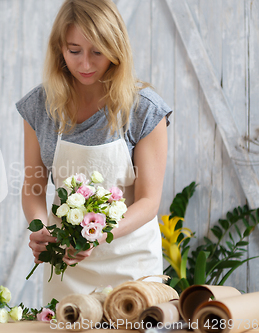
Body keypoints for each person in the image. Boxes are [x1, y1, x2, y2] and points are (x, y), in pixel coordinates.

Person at [16, 0, 172, 303]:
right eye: (74, 51)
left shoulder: (144, 109)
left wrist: (99, 234)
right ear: (59, 48)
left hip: (131, 267)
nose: (85, 64)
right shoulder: (40, 106)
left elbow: (149, 201)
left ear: (116, 49)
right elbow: (33, 186)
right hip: (67, 268)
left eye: (97, 52)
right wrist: (42, 230)